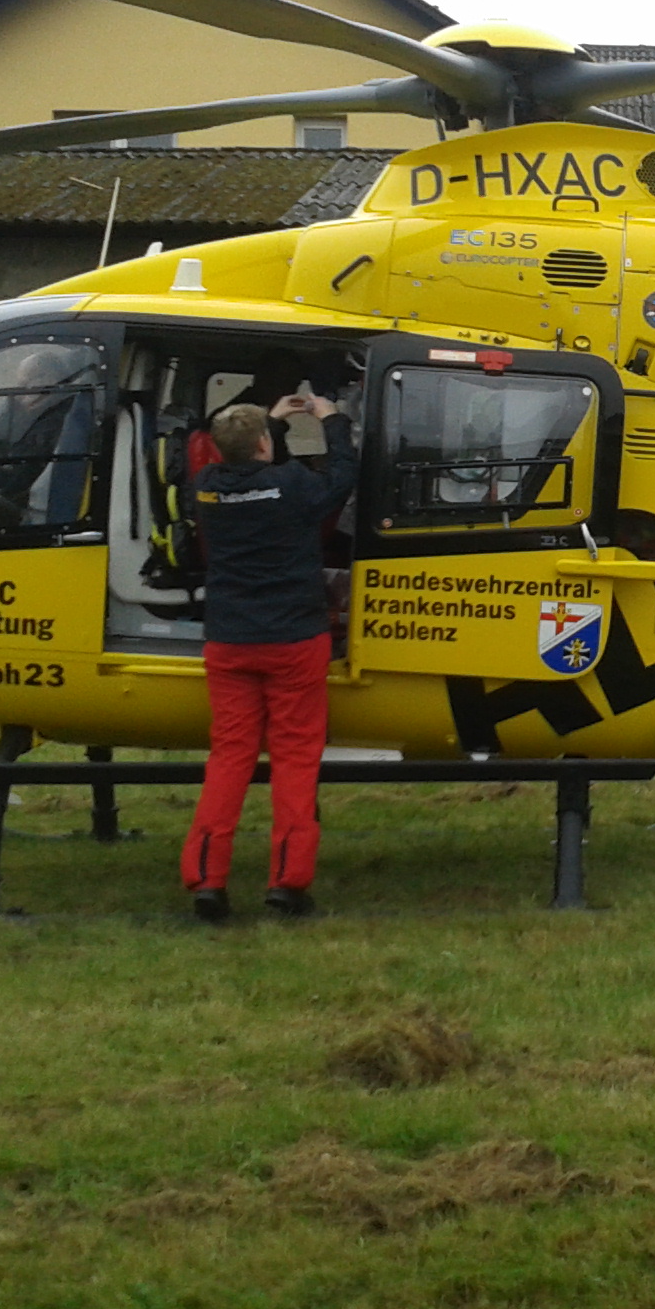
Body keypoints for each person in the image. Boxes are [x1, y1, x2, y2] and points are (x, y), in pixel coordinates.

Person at [181, 390, 357, 922]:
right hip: (294, 640)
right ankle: (287, 883)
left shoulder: (206, 488)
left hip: (230, 640)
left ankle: (207, 880)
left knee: (229, 757)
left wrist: (269, 425)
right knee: (295, 760)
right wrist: (333, 421)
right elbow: (341, 479)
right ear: (263, 444)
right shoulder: (293, 486)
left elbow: (240, 468)